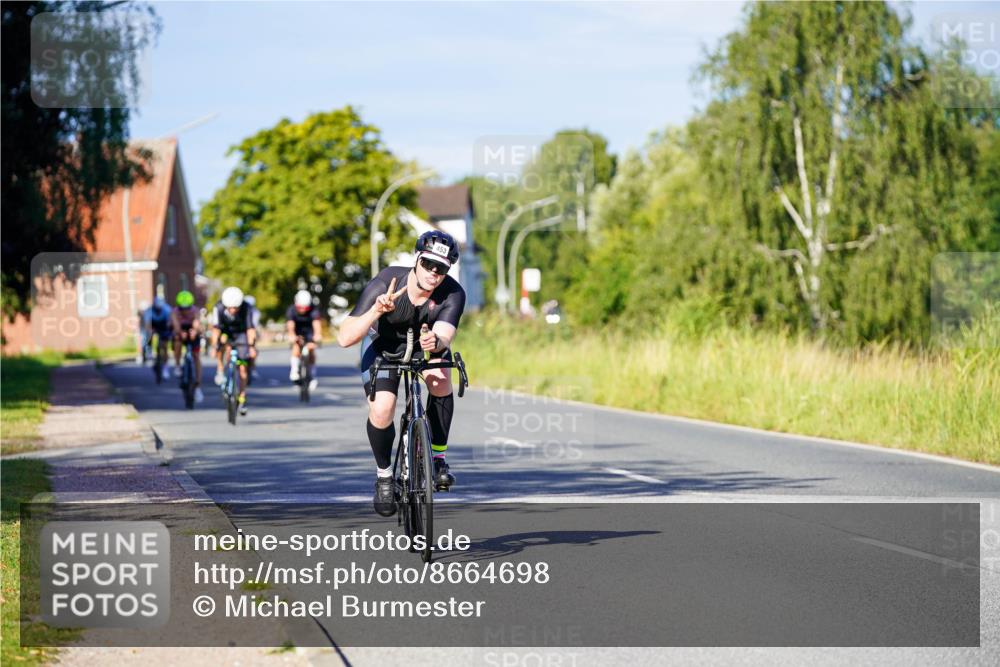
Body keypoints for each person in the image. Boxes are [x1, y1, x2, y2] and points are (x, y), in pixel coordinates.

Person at [336, 230, 466, 517]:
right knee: (383, 408)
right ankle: (384, 476)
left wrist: (437, 342)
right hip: (383, 348)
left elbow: (444, 334)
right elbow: (344, 337)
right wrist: (376, 312)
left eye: (441, 269)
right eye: (429, 264)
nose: (434, 273)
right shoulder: (386, 281)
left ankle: (439, 457)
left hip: (424, 345)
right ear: (417, 260)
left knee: (441, 378)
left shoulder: (454, 293)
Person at [211, 287, 257, 416]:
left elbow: (250, 330)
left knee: (242, 368)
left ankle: (242, 398)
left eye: (236, 307)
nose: (233, 310)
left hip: (241, 333)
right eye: (230, 308)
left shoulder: (247, 308)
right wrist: (215, 346)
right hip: (225, 331)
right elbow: (216, 329)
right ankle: (220, 369)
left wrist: (252, 347)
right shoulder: (218, 307)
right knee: (220, 346)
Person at [170, 290, 204, 403]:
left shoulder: (195, 311)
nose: (185, 311)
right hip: (181, 330)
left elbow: (197, 324)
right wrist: (180, 333)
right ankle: (178, 365)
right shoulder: (175, 312)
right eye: (182, 308)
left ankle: (198, 385)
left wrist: (195, 331)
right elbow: (176, 326)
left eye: (187, 308)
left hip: (192, 330)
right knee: (177, 341)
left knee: (196, 355)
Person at [286, 289, 322, 391]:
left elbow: (316, 324)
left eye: (305, 307)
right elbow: (290, 325)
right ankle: (294, 370)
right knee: (296, 347)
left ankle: (312, 375)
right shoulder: (291, 310)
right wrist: (292, 335)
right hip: (297, 331)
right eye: (300, 307)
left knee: (311, 350)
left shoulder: (314, 310)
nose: (303, 310)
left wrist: (318, 335)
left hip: (309, 331)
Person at [145, 297, 173, 380]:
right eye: (157, 309)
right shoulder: (149, 311)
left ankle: (165, 367)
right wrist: (150, 332)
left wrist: (168, 329)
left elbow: (170, 322)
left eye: (160, 309)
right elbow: (147, 324)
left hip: (164, 325)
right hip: (154, 325)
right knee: (149, 335)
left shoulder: (167, 309)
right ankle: (149, 351)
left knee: (164, 346)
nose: (158, 310)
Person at [244, 295, 262, 381]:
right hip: (242, 331)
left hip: (251, 330)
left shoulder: (256, 312)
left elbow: (254, 325)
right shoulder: (242, 310)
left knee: (253, 350)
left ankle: (253, 368)